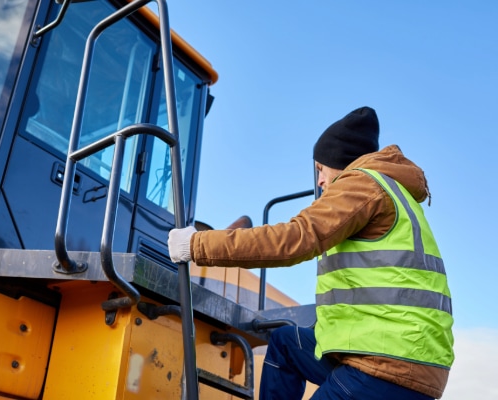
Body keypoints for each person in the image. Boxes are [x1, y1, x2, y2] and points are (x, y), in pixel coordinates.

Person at [168, 106, 454, 399]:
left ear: (341, 163)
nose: (319, 181)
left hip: (387, 365)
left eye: (321, 169)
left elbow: (296, 237)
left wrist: (196, 244)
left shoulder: (362, 185)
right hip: (397, 354)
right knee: (285, 343)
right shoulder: (390, 192)